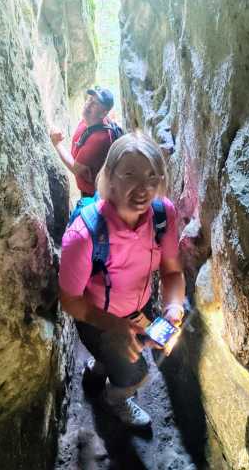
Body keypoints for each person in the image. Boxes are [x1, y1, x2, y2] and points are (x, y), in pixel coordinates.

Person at [59, 133, 185, 427]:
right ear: (111, 177)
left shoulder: (162, 214)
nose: (144, 188)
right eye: (130, 175)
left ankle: (99, 367)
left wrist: (173, 309)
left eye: (152, 176)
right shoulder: (84, 235)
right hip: (96, 319)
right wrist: (115, 327)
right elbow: (70, 300)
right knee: (137, 374)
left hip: (138, 309)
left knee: (124, 355)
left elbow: (172, 272)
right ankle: (115, 399)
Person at [50, 86, 117, 197]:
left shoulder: (99, 139)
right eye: (90, 99)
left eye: (95, 104)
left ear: (103, 113)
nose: (88, 105)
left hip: (93, 195)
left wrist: (56, 143)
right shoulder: (90, 119)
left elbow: (76, 169)